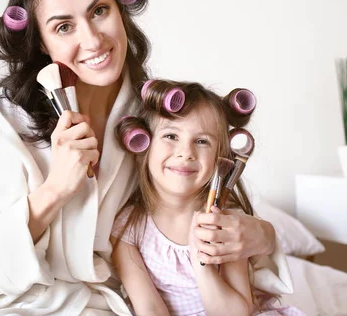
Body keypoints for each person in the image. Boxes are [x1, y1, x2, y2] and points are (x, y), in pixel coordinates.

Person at [0, 0, 292, 315]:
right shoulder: (1, 120)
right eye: (64, 27)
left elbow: (196, 205)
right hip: (1, 301)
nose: (94, 40)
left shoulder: (151, 115)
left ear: (120, 10)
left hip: (98, 303)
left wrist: (263, 236)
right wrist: (55, 190)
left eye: (100, 11)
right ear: (42, 44)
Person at [111, 80, 303, 316]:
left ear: (219, 157)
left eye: (202, 141)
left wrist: (203, 265)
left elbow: (236, 312)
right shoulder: (129, 227)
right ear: (145, 146)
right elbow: (149, 308)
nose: (186, 153)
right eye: (171, 136)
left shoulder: (227, 225)